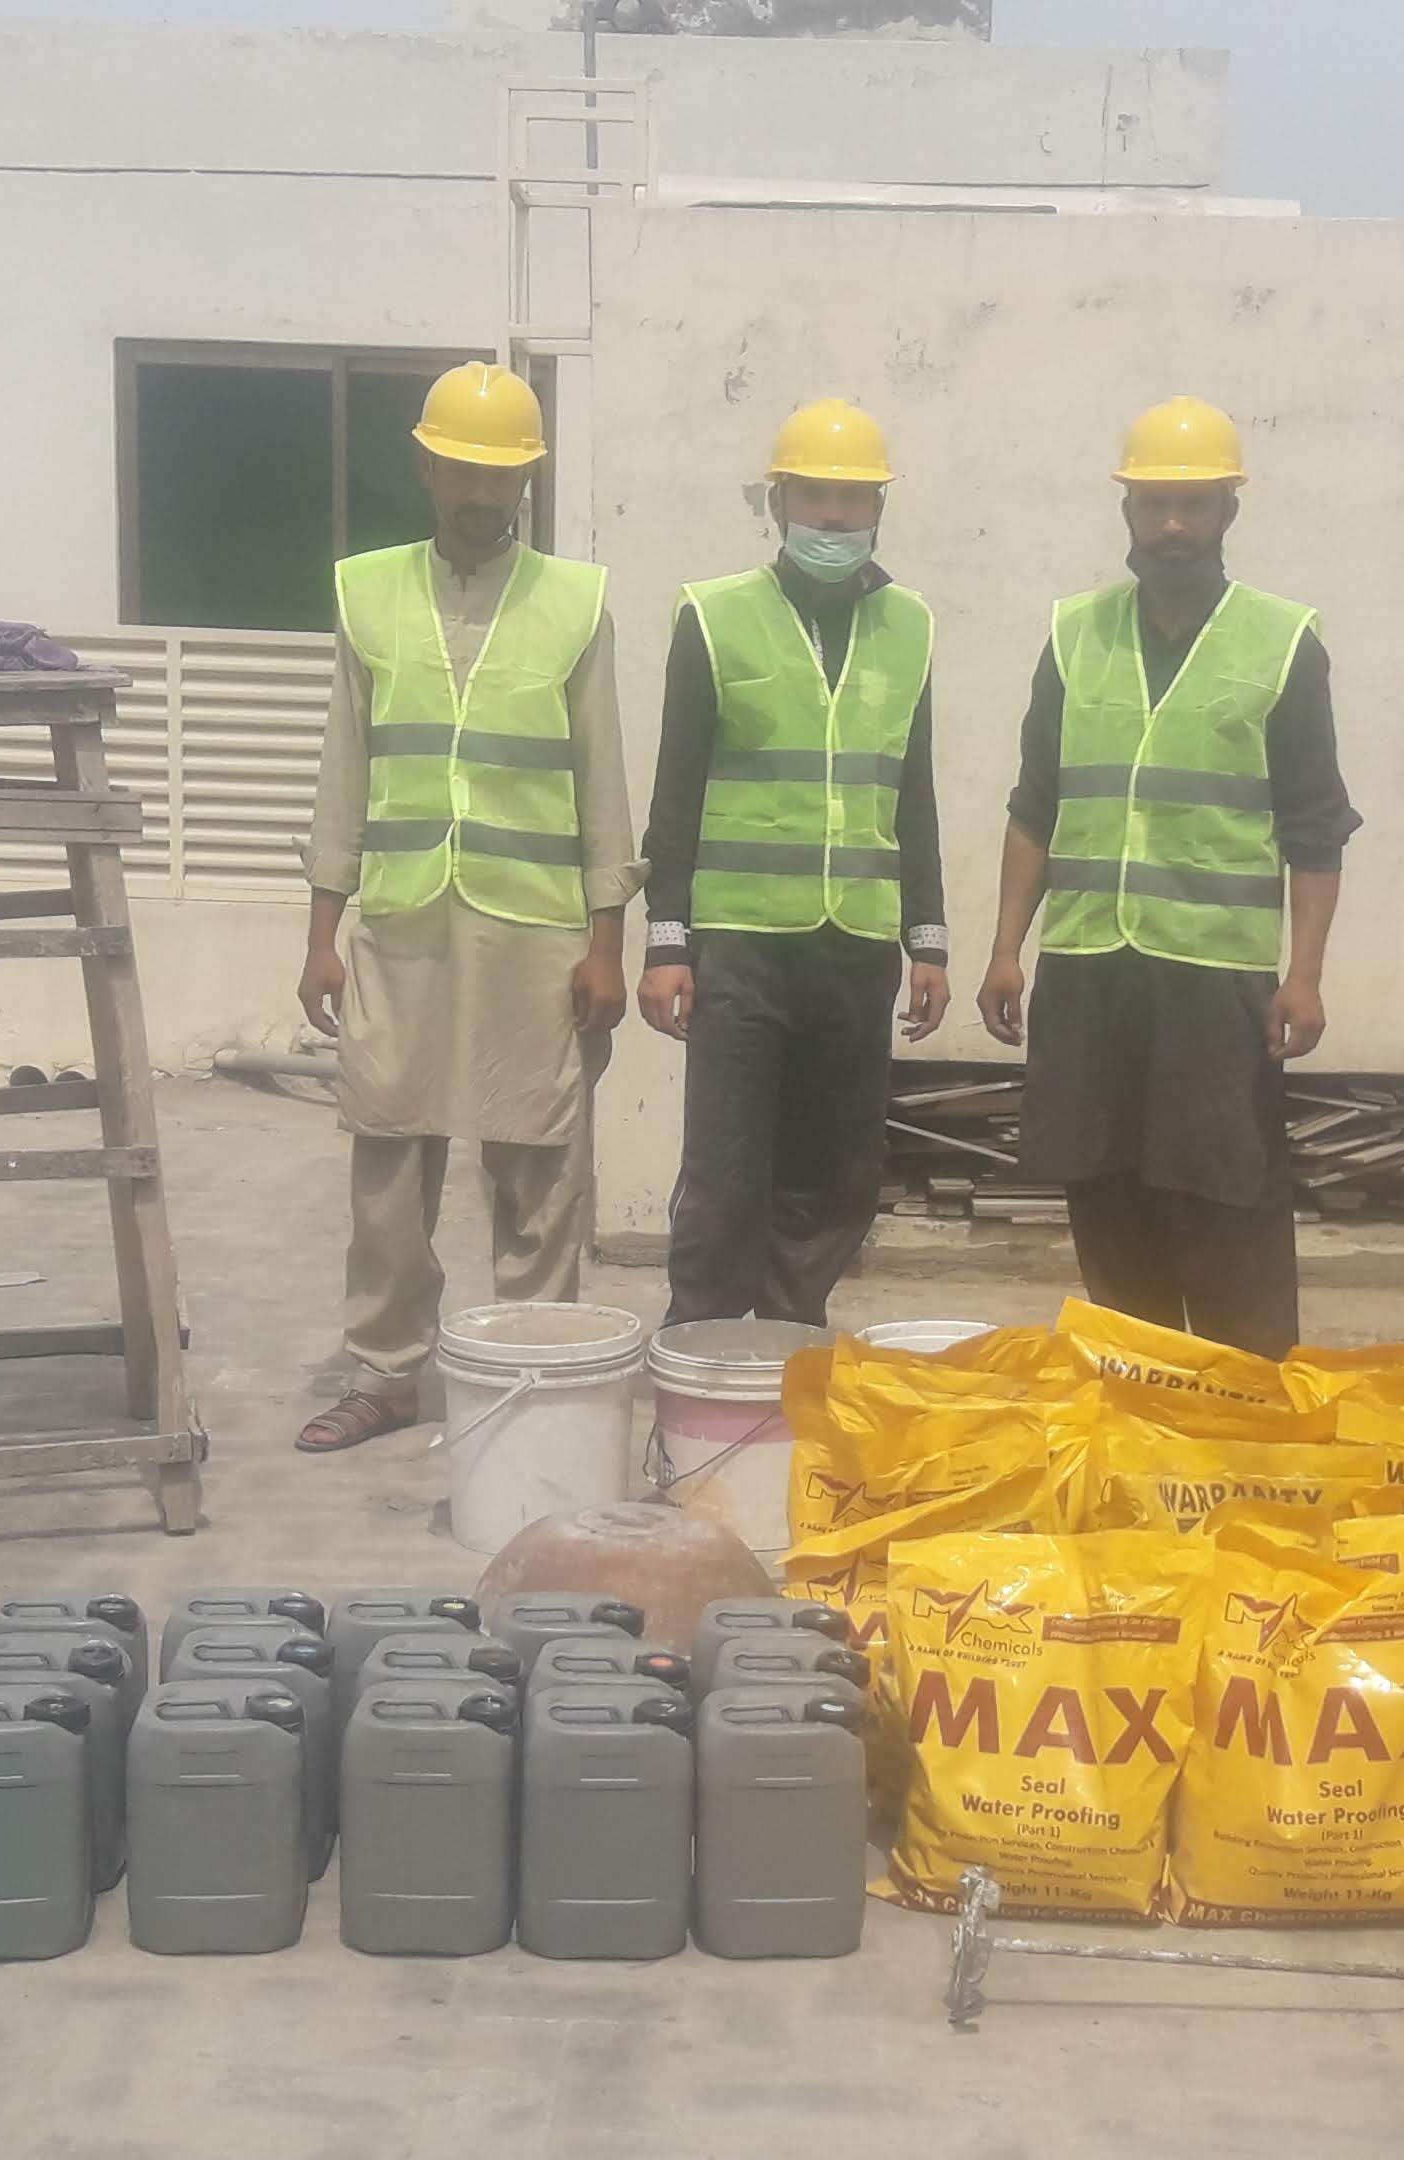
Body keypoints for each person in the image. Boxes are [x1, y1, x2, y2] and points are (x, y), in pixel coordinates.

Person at [295, 363, 638, 1453]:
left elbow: (602, 781)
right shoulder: (369, 592)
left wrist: (607, 943)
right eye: (463, 470)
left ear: (528, 480)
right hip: (401, 924)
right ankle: (387, 1372)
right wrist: (320, 935)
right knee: (389, 1154)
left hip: (534, 925)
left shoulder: (573, 601)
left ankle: (532, 1368)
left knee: (539, 1158)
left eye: (503, 474)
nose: (482, 491)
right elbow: (344, 770)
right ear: (427, 468)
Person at [974, 395, 1357, 1361]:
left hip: (1215, 977)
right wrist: (1006, 949)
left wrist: (1305, 976)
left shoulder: (1281, 642)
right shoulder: (1075, 634)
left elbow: (1316, 827)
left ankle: (1245, 1397)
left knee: (1227, 1202)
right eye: (1156, 505)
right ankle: (1137, 1387)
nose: (1174, 525)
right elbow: (1035, 806)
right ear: (1128, 512)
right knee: (1105, 1193)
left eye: (1194, 504)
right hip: (1089, 969)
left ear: (1230, 509)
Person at [638, 398, 952, 1328]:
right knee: (725, 1175)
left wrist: (927, 937)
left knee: (836, 1176)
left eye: (852, 499)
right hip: (741, 948)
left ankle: (787, 1345)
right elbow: (675, 791)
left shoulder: (910, 625)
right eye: (814, 495)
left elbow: (913, 790)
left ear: (879, 508)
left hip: (856, 947)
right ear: (779, 502)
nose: (833, 516)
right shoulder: (715, 616)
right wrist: (666, 942)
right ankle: (700, 1350)